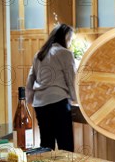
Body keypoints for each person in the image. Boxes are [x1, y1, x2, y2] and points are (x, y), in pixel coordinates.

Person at [26, 23, 77, 152]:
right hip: (58, 102)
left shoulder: (39, 54)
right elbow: (72, 79)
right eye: (70, 39)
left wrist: (29, 100)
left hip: (40, 104)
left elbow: (31, 78)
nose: (70, 42)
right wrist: (75, 98)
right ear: (65, 38)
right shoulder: (65, 53)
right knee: (65, 146)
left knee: (46, 145)